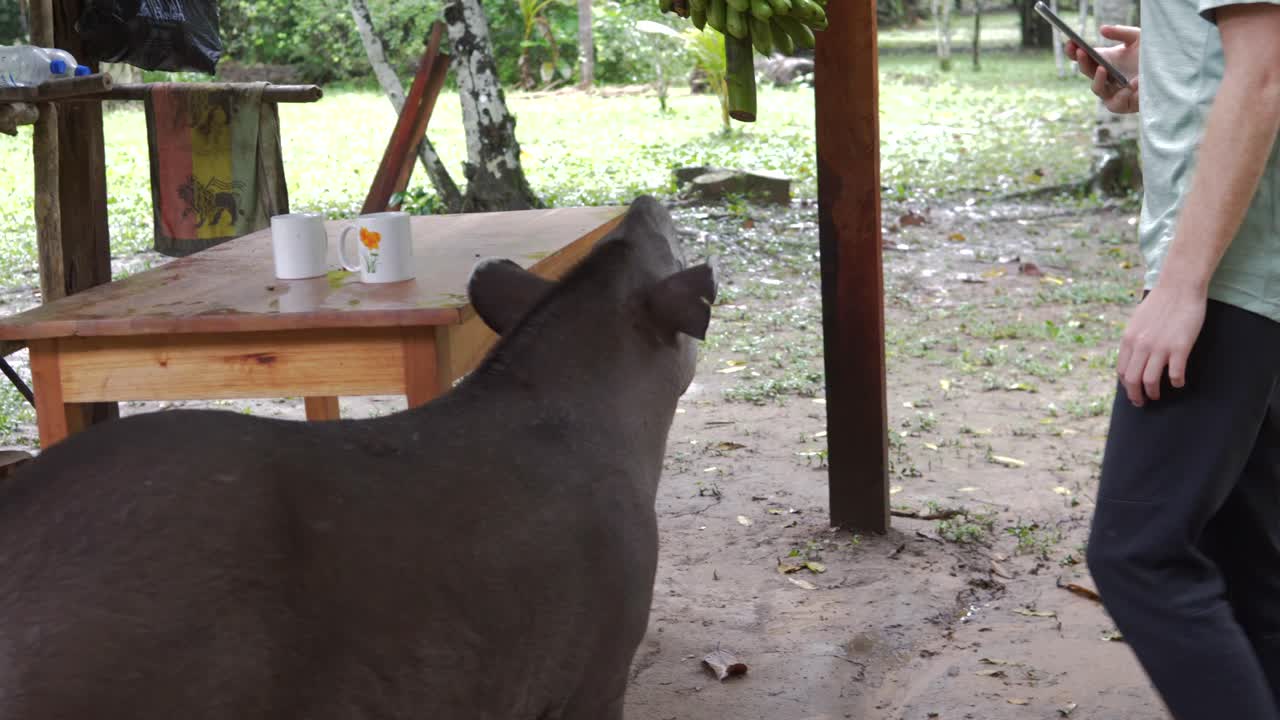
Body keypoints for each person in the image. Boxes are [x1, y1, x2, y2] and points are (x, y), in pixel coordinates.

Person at [1066, 2, 1280, 718]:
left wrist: (1184, 286)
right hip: (1250, 270)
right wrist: (1164, 73)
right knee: (1250, 567)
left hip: (1234, 275)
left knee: (1140, 554)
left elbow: (1265, 72)